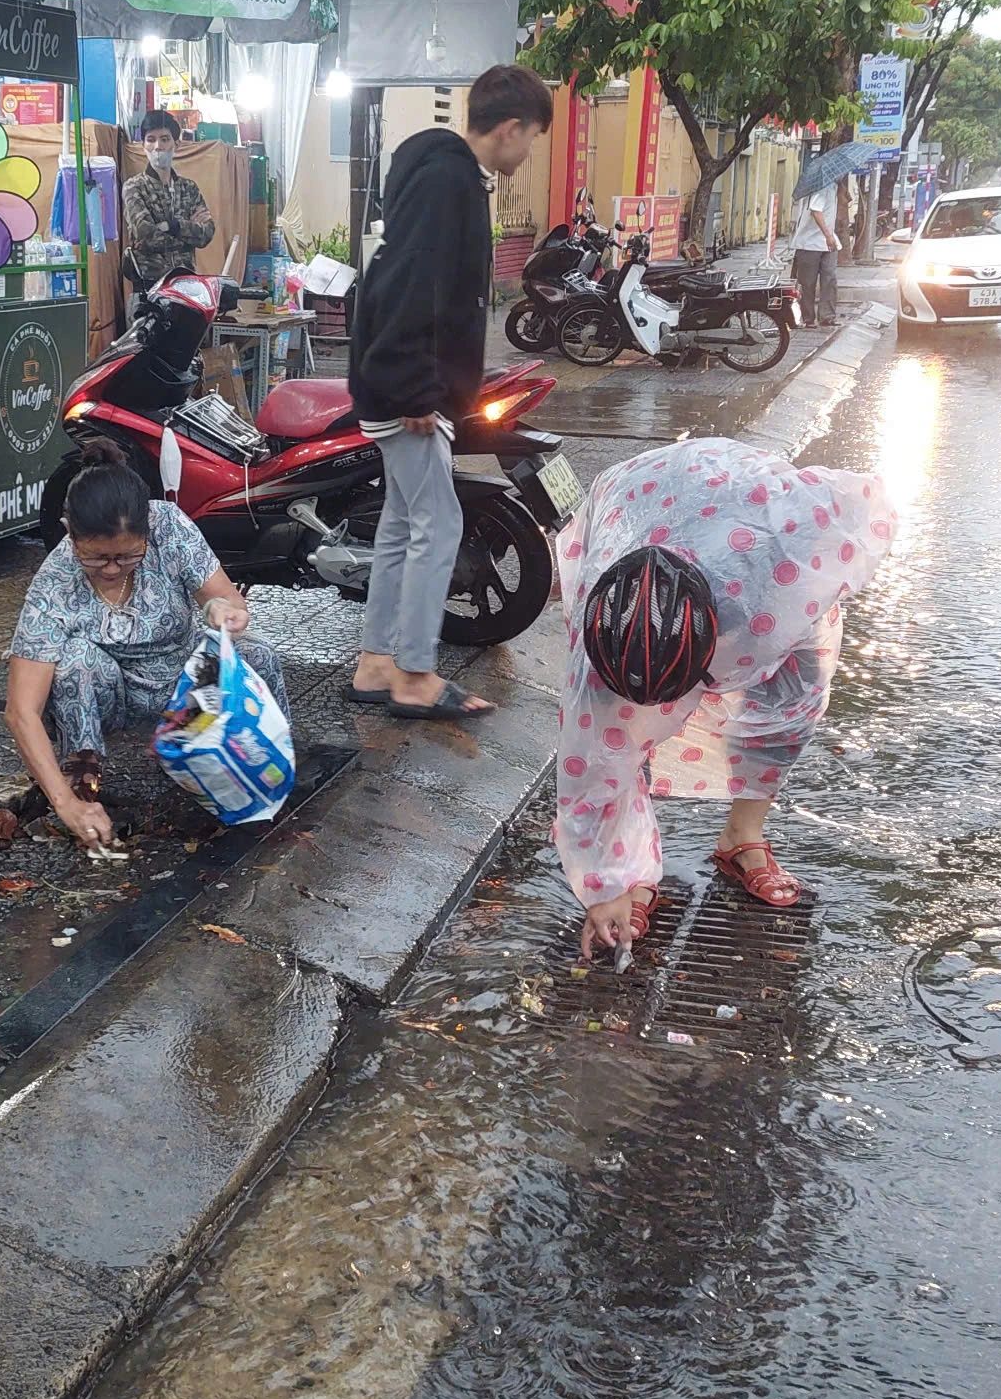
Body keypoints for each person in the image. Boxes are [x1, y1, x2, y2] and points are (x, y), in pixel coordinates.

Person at [551, 436, 896, 969]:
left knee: (793, 703)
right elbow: (591, 768)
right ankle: (635, 872)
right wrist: (605, 885)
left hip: (750, 522)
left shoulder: (789, 567)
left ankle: (742, 835)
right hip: (637, 497)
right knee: (615, 737)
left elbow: (867, 503)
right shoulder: (602, 630)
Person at [346, 63, 552, 723]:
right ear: (512, 128)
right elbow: (413, 284)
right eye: (534, 139)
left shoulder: (441, 174)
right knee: (438, 526)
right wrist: (418, 391)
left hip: (399, 382)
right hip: (408, 388)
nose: (530, 153)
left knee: (405, 526)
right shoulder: (447, 181)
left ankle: (378, 662)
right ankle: (414, 675)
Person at [3, 439, 284, 853]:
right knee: (76, 661)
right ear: (70, 534)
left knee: (258, 654)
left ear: (148, 531)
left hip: (184, 681)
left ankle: (264, 778)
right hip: (116, 695)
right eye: (97, 559)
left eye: (128, 556)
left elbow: (221, 598)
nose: (113, 569)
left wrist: (224, 611)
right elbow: (21, 710)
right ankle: (85, 790)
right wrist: (62, 803)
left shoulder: (169, 525)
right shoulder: (55, 582)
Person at [121, 109, 214, 297]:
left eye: (164, 139)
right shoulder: (134, 187)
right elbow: (145, 236)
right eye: (151, 139)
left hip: (187, 286)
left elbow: (207, 233)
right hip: (149, 287)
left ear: (176, 144)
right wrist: (188, 233)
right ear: (143, 145)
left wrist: (173, 226)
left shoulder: (189, 188)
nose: (157, 146)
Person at [791, 174, 842, 327]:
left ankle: (827, 316)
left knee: (830, 279)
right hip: (810, 243)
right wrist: (827, 235)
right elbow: (816, 211)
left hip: (829, 243)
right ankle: (808, 318)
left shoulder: (834, 187)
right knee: (807, 283)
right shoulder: (822, 187)